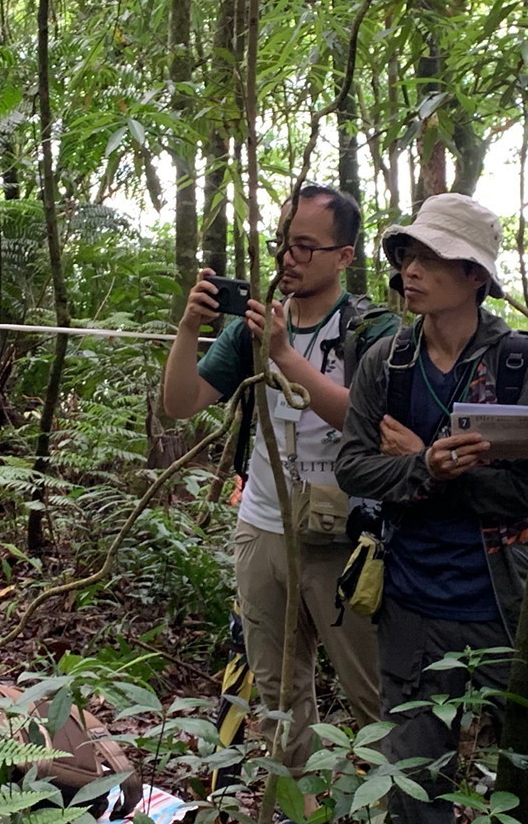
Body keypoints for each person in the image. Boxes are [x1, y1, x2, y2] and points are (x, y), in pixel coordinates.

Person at [334, 192, 528, 824]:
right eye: (408, 255)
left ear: (475, 275)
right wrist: (424, 465)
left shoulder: (521, 369)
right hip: (411, 596)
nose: (412, 271)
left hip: (504, 597)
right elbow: (354, 464)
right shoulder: (388, 363)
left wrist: (448, 473)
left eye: (433, 258)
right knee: (416, 765)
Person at [160, 185, 399, 768]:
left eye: (305, 247)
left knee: (371, 697)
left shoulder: (373, 332)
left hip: (342, 539)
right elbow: (182, 402)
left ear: (344, 255)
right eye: (282, 245)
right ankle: (294, 818)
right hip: (263, 527)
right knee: (278, 698)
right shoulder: (253, 328)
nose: (288, 259)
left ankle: (382, 822)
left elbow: (366, 421)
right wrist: (191, 329)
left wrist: (286, 356)